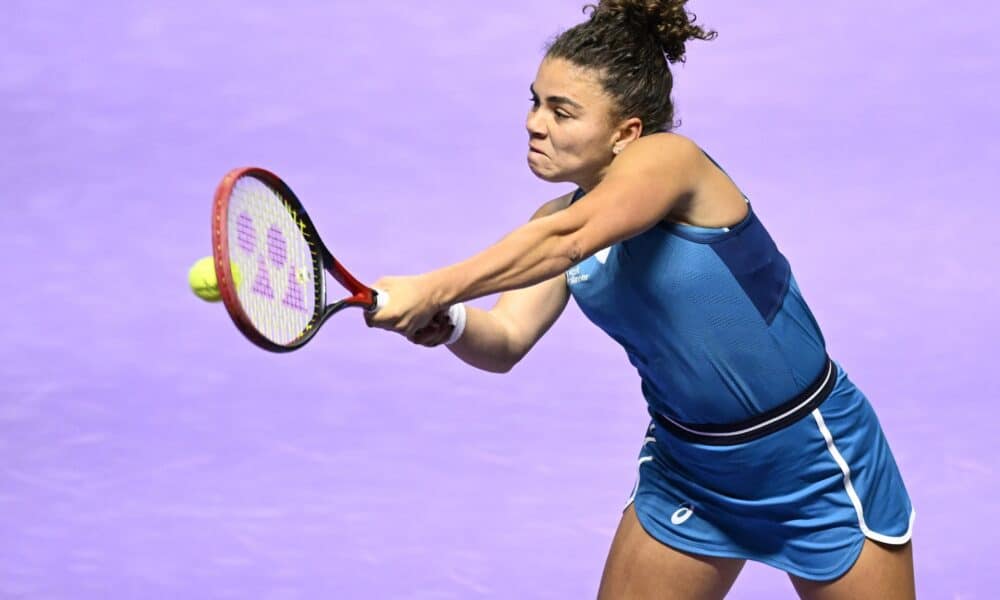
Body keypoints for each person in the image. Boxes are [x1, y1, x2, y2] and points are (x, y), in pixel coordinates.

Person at [366, 1, 916, 597]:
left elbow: (567, 242)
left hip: (810, 460)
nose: (534, 122)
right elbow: (506, 340)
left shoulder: (670, 161)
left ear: (626, 132)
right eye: (534, 101)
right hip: (690, 472)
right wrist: (446, 320)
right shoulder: (556, 221)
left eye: (562, 110)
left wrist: (433, 286)